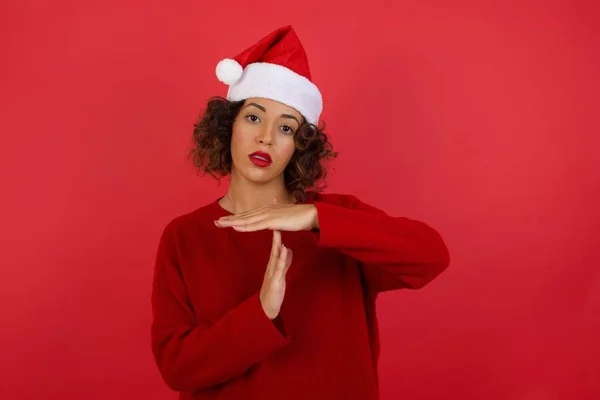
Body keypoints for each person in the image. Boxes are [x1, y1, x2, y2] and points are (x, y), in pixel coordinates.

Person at [150, 25, 450, 400]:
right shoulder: (185, 237)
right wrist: (260, 313)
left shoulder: (340, 220)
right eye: (254, 117)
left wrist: (314, 218)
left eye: (287, 127)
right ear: (228, 126)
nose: (267, 138)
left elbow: (429, 256)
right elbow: (178, 367)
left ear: (300, 145)